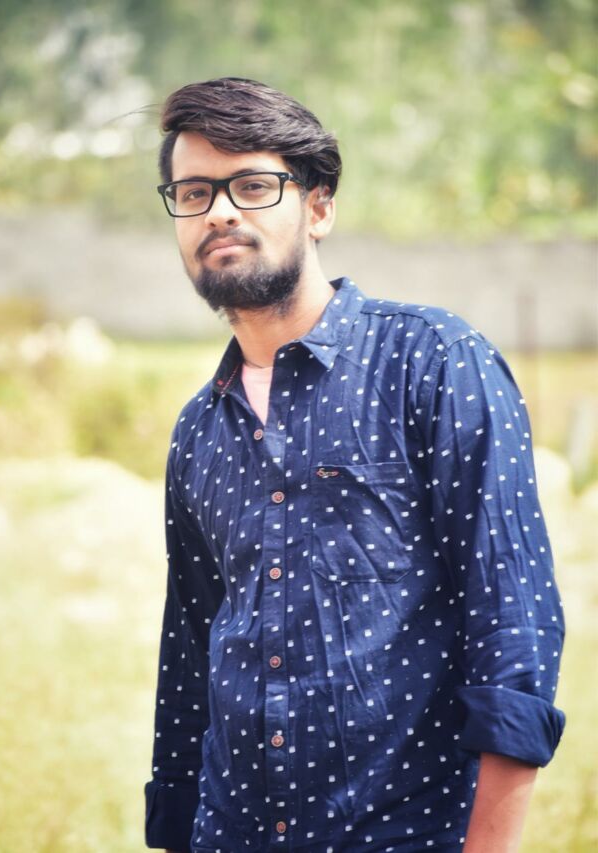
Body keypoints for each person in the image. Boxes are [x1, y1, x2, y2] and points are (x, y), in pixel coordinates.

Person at [144, 77, 565, 853]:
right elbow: (189, 662)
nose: (220, 212)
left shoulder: (434, 362)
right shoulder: (198, 430)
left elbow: (513, 624)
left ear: (319, 207)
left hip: (402, 831)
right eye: (195, 192)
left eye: (252, 186)